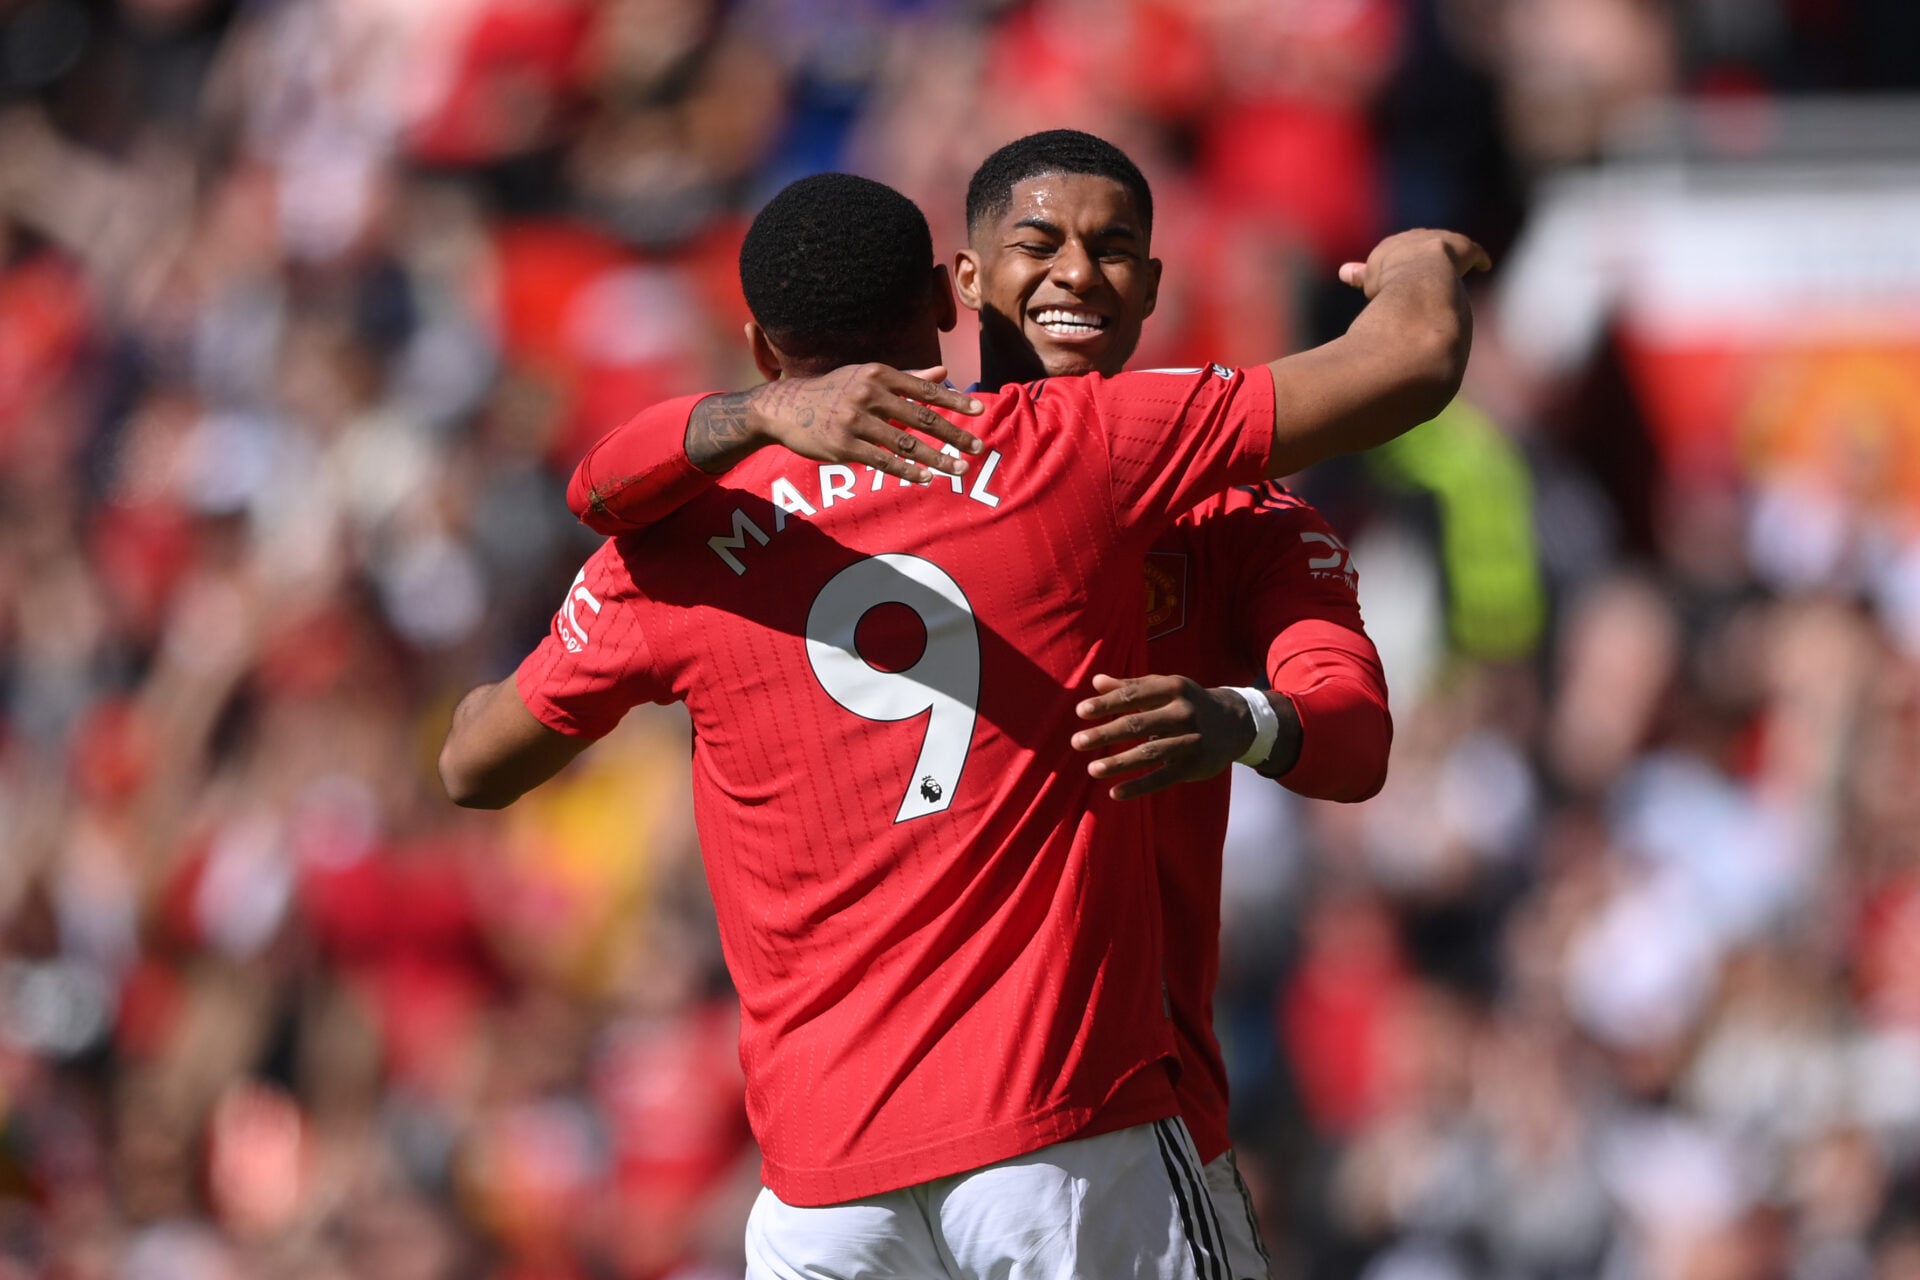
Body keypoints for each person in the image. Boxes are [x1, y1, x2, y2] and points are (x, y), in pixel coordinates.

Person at [440, 172, 1484, 1278]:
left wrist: (738, 421)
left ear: (757, 346)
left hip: (823, 1195)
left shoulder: (682, 546)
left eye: (1107, 247)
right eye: (1044, 244)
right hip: (1066, 1138)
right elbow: (1410, 359)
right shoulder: (1068, 450)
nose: (1074, 276)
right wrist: (1419, 257)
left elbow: (474, 757)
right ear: (954, 292)